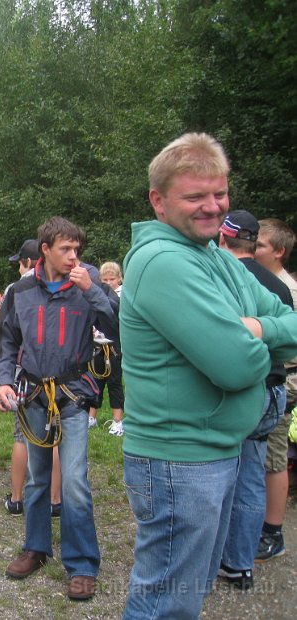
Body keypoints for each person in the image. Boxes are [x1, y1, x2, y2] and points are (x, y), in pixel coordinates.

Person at [119, 133, 297, 619]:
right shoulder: (164, 262)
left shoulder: (215, 256)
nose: (212, 206)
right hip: (179, 461)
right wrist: (260, 348)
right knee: (165, 604)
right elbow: (237, 365)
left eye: (219, 194)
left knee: (185, 596)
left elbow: (287, 321)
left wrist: (257, 327)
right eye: (195, 196)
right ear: (159, 201)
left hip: (216, 451)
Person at [0, 217, 117, 601]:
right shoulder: (21, 291)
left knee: (76, 483)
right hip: (32, 397)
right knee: (36, 479)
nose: (73, 256)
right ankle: (36, 547)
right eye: (65, 249)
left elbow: (119, 327)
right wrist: (1, 380)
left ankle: (81, 565)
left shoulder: (88, 287)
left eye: (77, 249)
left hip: (74, 396)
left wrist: (93, 290)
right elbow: (5, 339)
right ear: (44, 250)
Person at [216, 210, 290, 590]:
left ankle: (217, 558)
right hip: (276, 389)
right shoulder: (275, 283)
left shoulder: (226, 280)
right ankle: (241, 563)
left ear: (222, 239)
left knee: (223, 477)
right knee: (252, 475)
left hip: (246, 390)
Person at [0, 240, 61, 517]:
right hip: (57, 376)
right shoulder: (62, 285)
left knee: (24, 437)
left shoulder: (18, 289)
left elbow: (3, 335)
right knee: (54, 437)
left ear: (29, 262)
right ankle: (55, 501)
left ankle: (18, 498)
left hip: (24, 376)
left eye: (19, 262)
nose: (18, 268)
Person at [255, 217, 297, 563]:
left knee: (273, 459)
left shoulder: (288, 290)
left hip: (282, 383)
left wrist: (285, 394)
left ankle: (273, 532)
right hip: (264, 382)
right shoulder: (256, 282)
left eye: (260, 245)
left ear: (279, 252)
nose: (253, 250)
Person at [88, 261, 125, 436]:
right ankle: (91, 417)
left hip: (114, 346)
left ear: (119, 279)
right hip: (97, 345)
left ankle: (118, 421)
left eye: (112, 279)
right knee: (95, 383)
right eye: (105, 279)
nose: (109, 282)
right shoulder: (97, 294)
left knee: (114, 383)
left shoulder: (122, 296)